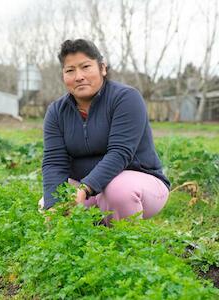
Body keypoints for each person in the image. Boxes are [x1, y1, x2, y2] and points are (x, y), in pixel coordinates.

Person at [40, 39, 170, 224]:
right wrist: (54, 205)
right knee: (47, 202)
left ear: (102, 68)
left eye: (85, 67)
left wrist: (85, 189)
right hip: (88, 190)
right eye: (70, 70)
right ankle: (92, 237)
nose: (79, 76)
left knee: (118, 191)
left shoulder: (125, 99)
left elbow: (120, 153)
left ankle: (124, 245)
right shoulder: (56, 111)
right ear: (63, 76)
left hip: (138, 183)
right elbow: (54, 162)